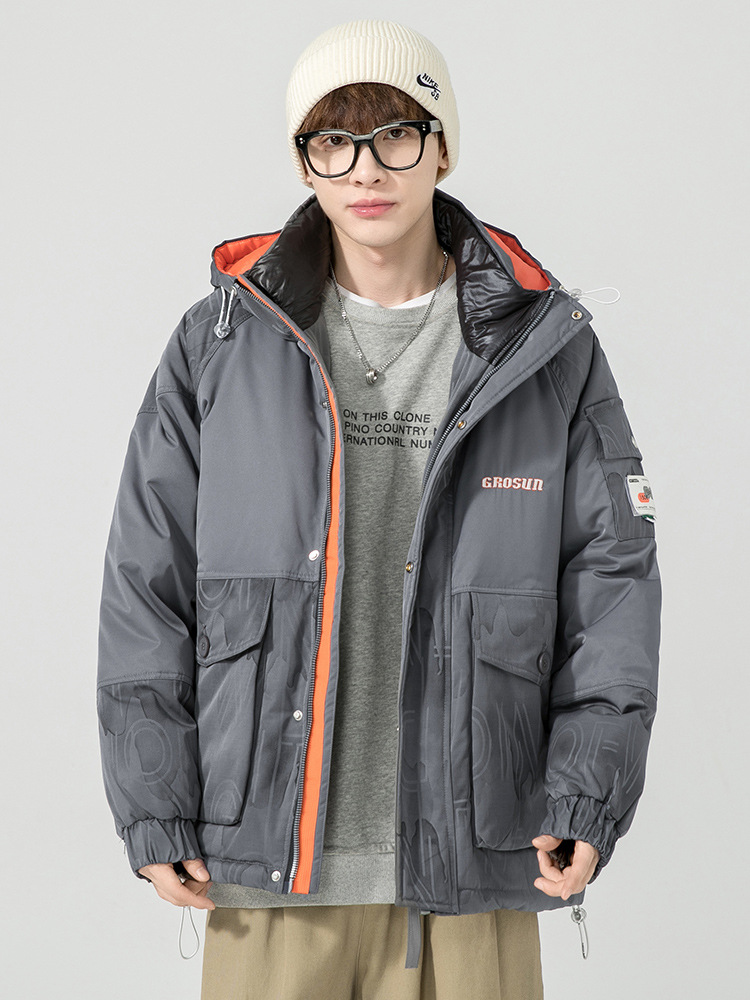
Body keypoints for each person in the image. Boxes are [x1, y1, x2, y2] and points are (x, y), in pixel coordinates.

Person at [96, 18, 661, 1000]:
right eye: (333, 140)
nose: (366, 167)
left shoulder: (547, 351)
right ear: (304, 161)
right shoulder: (220, 346)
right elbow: (147, 582)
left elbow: (612, 583)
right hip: (268, 866)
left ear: (442, 149)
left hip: (479, 863)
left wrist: (586, 793)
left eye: (396, 133)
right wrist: (155, 802)